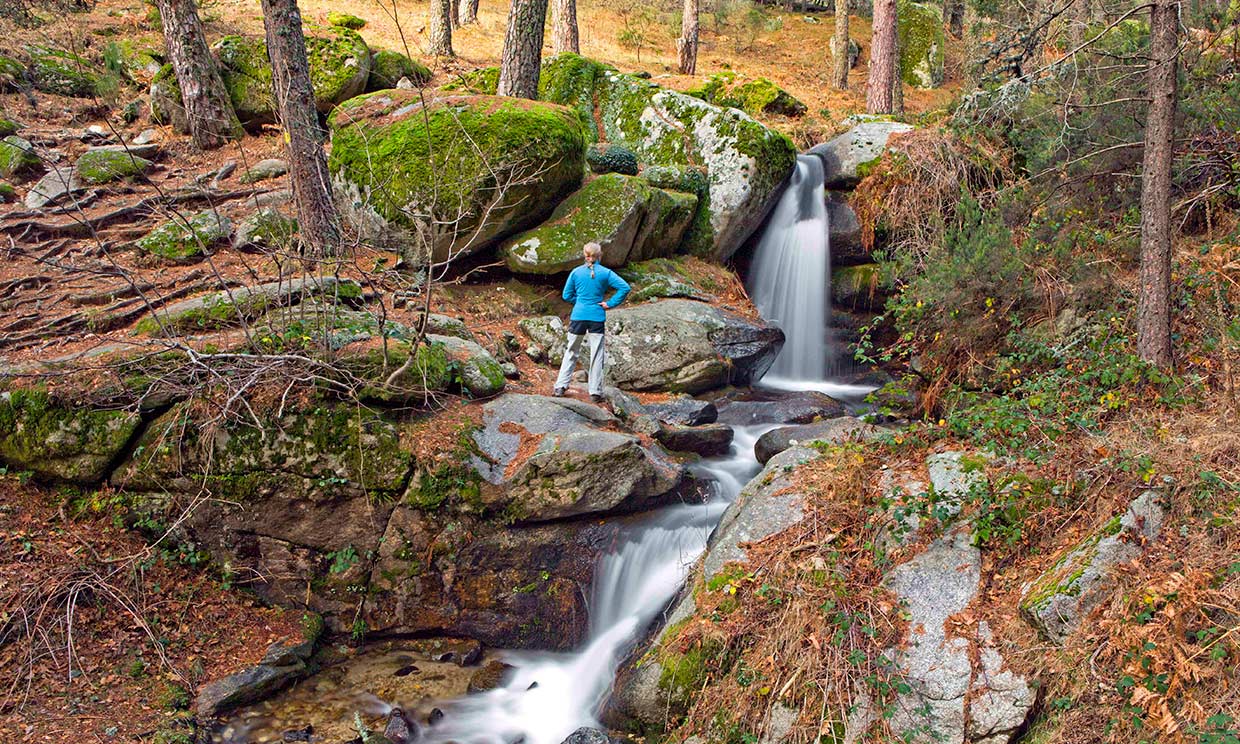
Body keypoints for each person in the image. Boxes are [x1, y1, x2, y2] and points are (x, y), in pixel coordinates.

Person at [554, 242, 630, 402]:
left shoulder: (576, 272)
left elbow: (566, 295)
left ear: (585, 254)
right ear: (599, 255)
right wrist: (609, 303)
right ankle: (595, 392)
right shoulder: (606, 273)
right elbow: (624, 287)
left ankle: (560, 386)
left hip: (578, 315)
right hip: (596, 316)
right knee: (597, 353)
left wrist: (581, 302)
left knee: (571, 351)